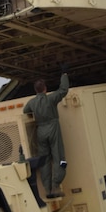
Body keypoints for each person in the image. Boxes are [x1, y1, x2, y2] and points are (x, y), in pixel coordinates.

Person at [23, 68, 69, 198]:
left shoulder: (32, 102)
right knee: (59, 157)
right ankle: (55, 186)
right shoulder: (51, 99)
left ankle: (47, 190)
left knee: (44, 161)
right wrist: (64, 74)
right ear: (45, 89)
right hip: (53, 128)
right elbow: (63, 90)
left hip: (40, 131)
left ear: (36, 90)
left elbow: (25, 111)